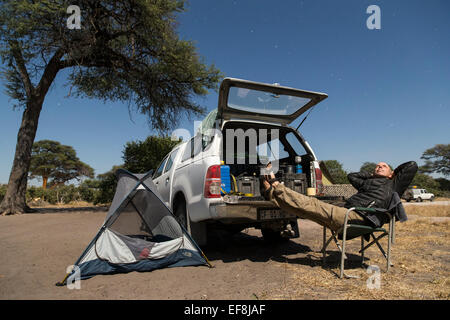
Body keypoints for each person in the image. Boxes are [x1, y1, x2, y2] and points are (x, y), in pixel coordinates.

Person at [261, 161, 418, 231]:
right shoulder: (367, 183)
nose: (379, 167)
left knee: (313, 204)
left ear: (392, 174)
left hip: (360, 216)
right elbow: (352, 176)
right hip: (349, 211)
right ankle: (272, 195)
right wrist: (372, 174)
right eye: (377, 165)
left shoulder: (394, 185)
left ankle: (276, 185)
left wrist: (393, 174)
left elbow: (412, 165)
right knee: (304, 211)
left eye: (384, 166)